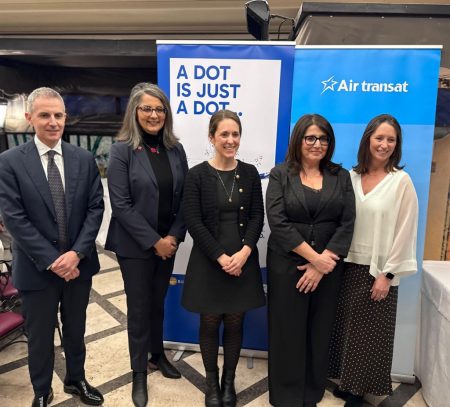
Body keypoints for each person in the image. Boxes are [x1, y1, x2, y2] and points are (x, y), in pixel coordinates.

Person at [0, 87, 105, 407]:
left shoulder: (83, 159)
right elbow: (14, 218)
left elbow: (95, 209)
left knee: (75, 329)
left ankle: (76, 379)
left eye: (58, 115)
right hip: (36, 270)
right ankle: (42, 390)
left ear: (65, 117)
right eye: (44, 115)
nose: (53, 122)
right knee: (40, 335)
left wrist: (76, 254)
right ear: (29, 118)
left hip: (78, 267)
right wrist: (53, 260)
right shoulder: (9, 162)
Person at [105, 83, 188, 407]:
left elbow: (185, 199)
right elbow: (121, 205)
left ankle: (157, 355)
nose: (154, 115)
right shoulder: (122, 150)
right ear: (135, 112)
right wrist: (154, 242)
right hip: (135, 247)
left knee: (157, 304)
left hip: (168, 244)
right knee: (139, 309)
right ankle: (139, 371)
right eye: (147, 109)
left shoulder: (175, 149)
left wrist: (173, 237)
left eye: (159, 109)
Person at [328, 114, 419, 407]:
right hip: (346, 266)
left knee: (370, 336)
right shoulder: (351, 177)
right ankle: (347, 383)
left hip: (378, 271)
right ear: (368, 139)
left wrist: (388, 275)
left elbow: (406, 231)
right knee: (346, 330)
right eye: (379, 138)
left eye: (391, 140)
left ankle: (358, 392)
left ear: (397, 145)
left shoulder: (401, 182)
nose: (384, 144)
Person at [266, 114, 355, 407]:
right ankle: (286, 396)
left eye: (323, 138)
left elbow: (347, 222)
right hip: (287, 264)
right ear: (299, 140)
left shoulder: (341, 176)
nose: (317, 144)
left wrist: (323, 262)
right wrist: (315, 259)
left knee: (319, 330)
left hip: (329, 267)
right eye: (311, 138)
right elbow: (277, 221)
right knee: (287, 330)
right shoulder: (280, 174)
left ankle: (312, 392)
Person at [182, 109, 265, 407]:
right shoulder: (196, 175)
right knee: (209, 323)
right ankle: (211, 384)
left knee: (235, 322)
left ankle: (228, 383)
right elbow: (193, 221)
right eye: (224, 134)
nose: (231, 140)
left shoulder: (250, 173)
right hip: (209, 262)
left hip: (243, 261)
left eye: (235, 134)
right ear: (212, 137)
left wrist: (244, 253)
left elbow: (257, 217)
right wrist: (220, 257)